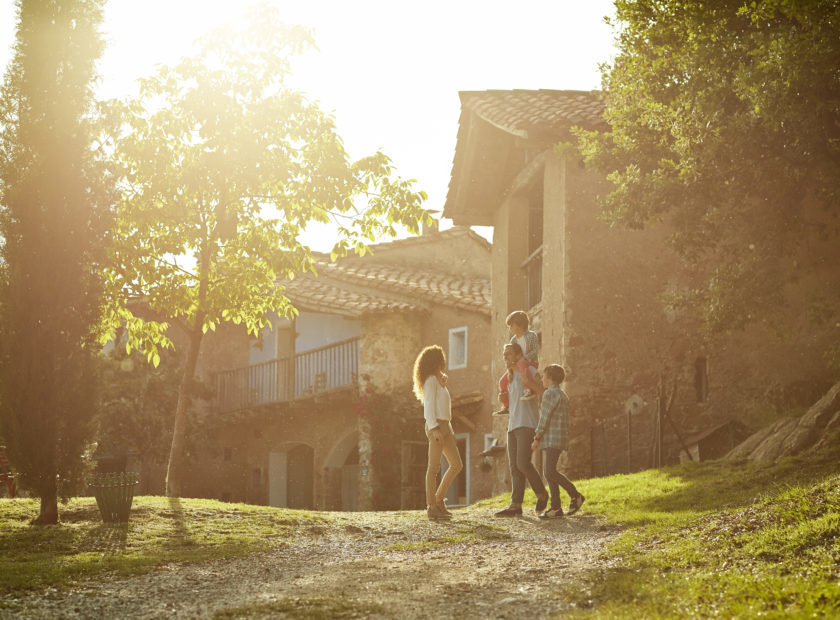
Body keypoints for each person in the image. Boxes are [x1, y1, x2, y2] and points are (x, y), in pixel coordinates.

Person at [494, 343, 550, 517]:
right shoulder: (509, 377)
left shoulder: (529, 371)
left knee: (522, 463)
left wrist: (528, 382)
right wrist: (505, 399)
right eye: (503, 355)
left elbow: (543, 392)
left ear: (518, 354)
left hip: (528, 423)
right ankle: (515, 505)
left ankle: (542, 494)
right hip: (513, 424)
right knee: (514, 467)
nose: (505, 357)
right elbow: (515, 402)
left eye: (508, 354)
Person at [413, 344, 463, 521]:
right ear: (435, 361)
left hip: (445, 425)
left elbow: (441, 404)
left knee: (456, 465)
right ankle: (431, 506)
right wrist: (434, 429)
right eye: (441, 359)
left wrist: (442, 383)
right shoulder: (430, 381)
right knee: (433, 468)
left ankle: (439, 499)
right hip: (436, 426)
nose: (444, 362)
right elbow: (429, 407)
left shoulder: (437, 381)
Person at [531, 364, 586, 518]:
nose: (542, 378)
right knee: (549, 472)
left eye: (544, 376)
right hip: (559, 438)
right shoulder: (562, 395)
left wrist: (537, 437)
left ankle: (575, 495)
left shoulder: (549, 394)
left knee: (549, 471)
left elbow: (544, 418)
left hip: (551, 438)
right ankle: (556, 508)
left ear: (550, 378)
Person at [493, 311, 542, 415]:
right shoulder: (513, 340)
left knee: (522, 364)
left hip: (530, 362)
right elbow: (512, 356)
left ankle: (529, 390)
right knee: (502, 382)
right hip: (518, 366)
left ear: (520, 324)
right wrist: (510, 371)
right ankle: (506, 406)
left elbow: (535, 351)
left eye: (511, 325)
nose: (510, 328)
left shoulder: (531, 336)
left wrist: (524, 358)